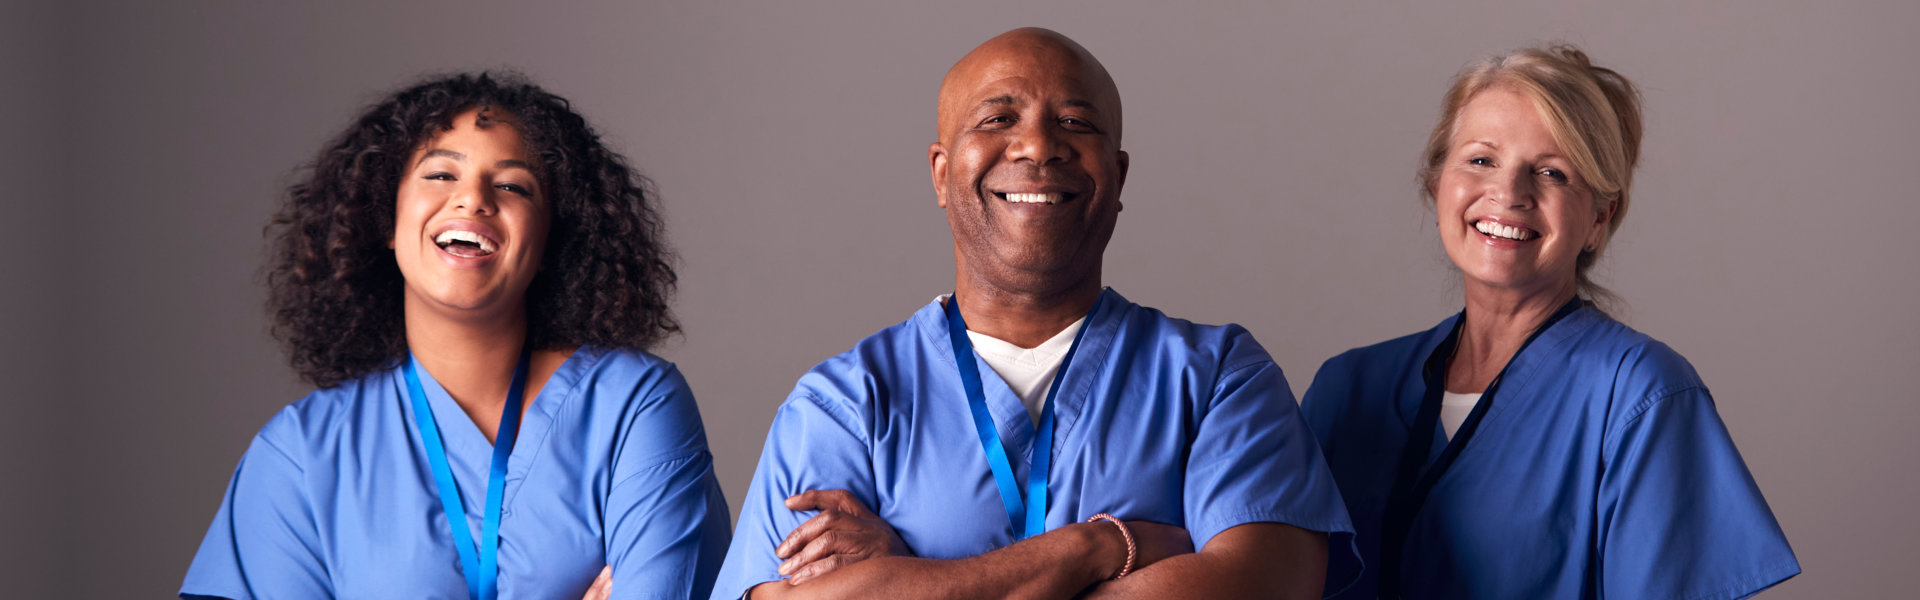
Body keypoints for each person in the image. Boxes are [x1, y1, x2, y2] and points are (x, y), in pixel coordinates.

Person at [710, 28, 1357, 600]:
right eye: (997, 119)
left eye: (1076, 123)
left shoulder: (1217, 377)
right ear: (941, 173)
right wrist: (1100, 549)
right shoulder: (843, 405)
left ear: (1119, 176)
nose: (1039, 147)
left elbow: (1263, 585)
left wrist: (911, 580)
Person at [180, 72, 731, 600]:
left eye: (514, 185)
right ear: (385, 221)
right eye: (441, 174)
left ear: (549, 244)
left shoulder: (633, 406)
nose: (473, 200)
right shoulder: (300, 452)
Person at [1300, 45, 1799, 599]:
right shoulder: (1346, 391)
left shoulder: (1640, 393)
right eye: (1481, 160)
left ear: (1599, 219)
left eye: (1552, 172)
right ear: (1436, 182)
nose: (1509, 193)